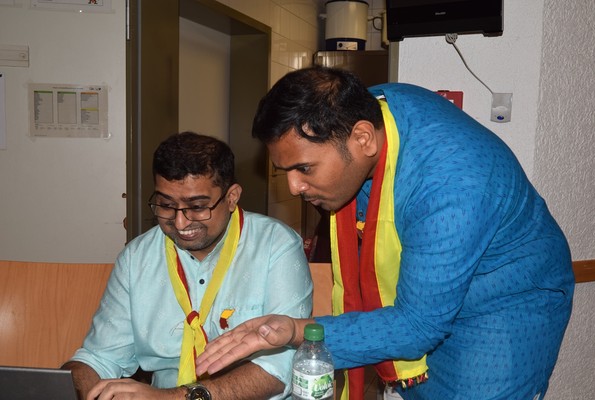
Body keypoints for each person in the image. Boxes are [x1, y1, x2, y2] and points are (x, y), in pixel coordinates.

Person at [195, 67, 575, 400]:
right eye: (286, 172)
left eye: (305, 168)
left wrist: (297, 331)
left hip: (505, 304)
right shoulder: (370, 111)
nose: (294, 187)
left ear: (363, 140)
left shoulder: (452, 188)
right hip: (428, 295)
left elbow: (417, 326)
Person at [62, 132, 313, 400]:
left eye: (197, 207)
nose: (180, 223)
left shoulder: (275, 245)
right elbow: (100, 357)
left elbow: (279, 368)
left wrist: (174, 398)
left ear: (231, 197)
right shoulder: (136, 258)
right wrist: (67, 383)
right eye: (166, 205)